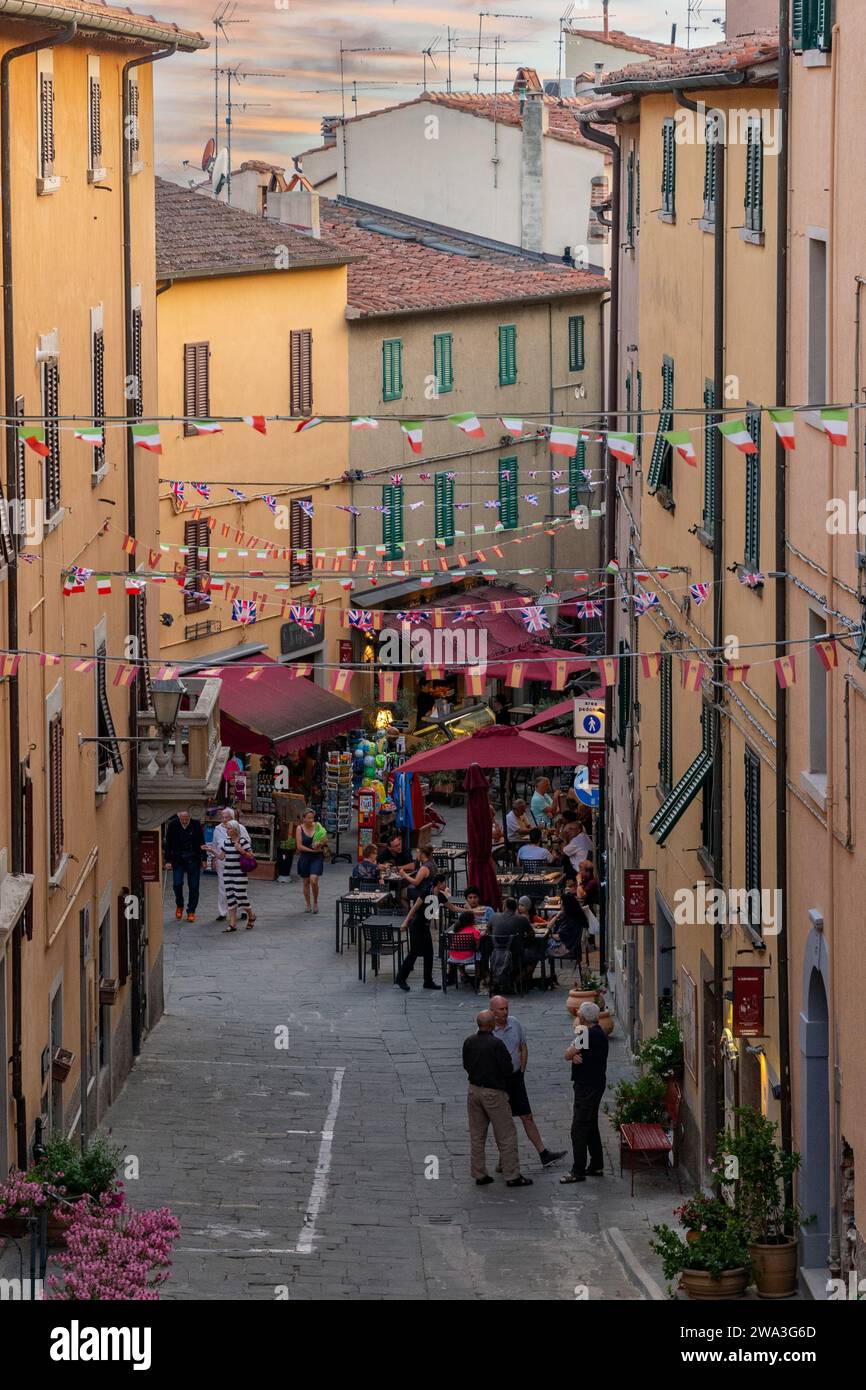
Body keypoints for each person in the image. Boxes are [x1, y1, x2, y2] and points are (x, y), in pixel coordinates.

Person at [490, 995, 566, 1168]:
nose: (505, 1012)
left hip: (516, 1078)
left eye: (506, 1008)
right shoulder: (488, 1029)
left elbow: (523, 1046)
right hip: (499, 1082)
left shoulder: (514, 1023)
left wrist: (522, 1069)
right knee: (503, 1121)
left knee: (527, 1116)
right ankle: (503, 1159)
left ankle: (543, 1153)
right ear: (492, 1011)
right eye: (501, 1009)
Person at [462, 1010, 532, 1187]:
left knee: (477, 1134)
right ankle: (512, 1174)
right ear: (492, 1024)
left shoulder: (469, 1041)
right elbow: (507, 1068)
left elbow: (466, 1064)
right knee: (506, 1134)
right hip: (494, 1092)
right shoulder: (496, 1044)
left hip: (474, 1090)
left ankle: (479, 1173)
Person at [561, 1000, 609, 1183]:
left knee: (579, 1128)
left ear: (582, 1016)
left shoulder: (587, 1033)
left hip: (587, 1086)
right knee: (590, 1125)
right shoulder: (593, 1032)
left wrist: (572, 1054)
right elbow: (571, 1052)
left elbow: (567, 1053)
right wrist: (574, 1055)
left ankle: (577, 1170)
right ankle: (596, 1164)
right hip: (594, 1083)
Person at [395, 871, 446, 992]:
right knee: (414, 953)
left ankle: (428, 981)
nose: (446, 885)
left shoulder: (440, 895)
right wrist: (405, 922)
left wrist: (470, 911)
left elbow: (452, 907)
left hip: (425, 927)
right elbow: (414, 908)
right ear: (439, 883)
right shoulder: (426, 892)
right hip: (416, 926)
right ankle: (401, 979)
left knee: (429, 954)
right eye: (444, 883)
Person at [213, 820, 257, 933]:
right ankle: (232, 924)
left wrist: (241, 850)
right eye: (226, 828)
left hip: (240, 874)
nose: (226, 831)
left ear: (235, 830)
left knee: (240, 896)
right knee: (230, 897)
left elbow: (251, 856)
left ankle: (251, 915)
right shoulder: (226, 842)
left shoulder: (243, 841)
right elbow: (222, 857)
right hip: (228, 873)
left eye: (229, 829)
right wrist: (211, 851)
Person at [164, 809, 206, 923]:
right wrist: (167, 860)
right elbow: (168, 843)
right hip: (178, 859)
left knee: (194, 886)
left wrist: (204, 858)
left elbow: (202, 842)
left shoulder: (195, 824)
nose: (184, 821)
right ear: (179, 817)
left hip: (193, 858)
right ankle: (180, 905)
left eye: (186, 819)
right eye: (182, 819)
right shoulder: (173, 824)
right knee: (177, 884)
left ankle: (191, 911)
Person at [210, 808, 251, 920]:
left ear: (232, 818)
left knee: (240, 888)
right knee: (223, 887)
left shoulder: (240, 828)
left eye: (226, 817)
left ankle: (243, 910)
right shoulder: (217, 829)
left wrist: (239, 847)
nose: (223, 819)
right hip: (222, 861)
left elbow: (248, 843)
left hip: (237, 862)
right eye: (222, 817)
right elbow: (214, 845)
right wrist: (213, 858)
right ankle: (223, 912)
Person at [295, 806, 327, 913]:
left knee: (313, 880)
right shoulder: (299, 828)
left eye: (312, 818)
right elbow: (299, 847)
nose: (311, 820)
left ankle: (316, 902)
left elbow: (325, 839)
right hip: (305, 857)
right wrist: (311, 850)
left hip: (317, 857)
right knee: (306, 882)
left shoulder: (318, 826)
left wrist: (320, 843)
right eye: (308, 818)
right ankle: (308, 904)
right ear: (303, 818)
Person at [446, 908, 483, 985]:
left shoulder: (455, 930)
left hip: (453, 958)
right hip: (468, 958)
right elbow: (476, 948)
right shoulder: (475, 932)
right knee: (480, 955)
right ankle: (478, 976)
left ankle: (463, 975)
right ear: (472, 921)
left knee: (459, 954)